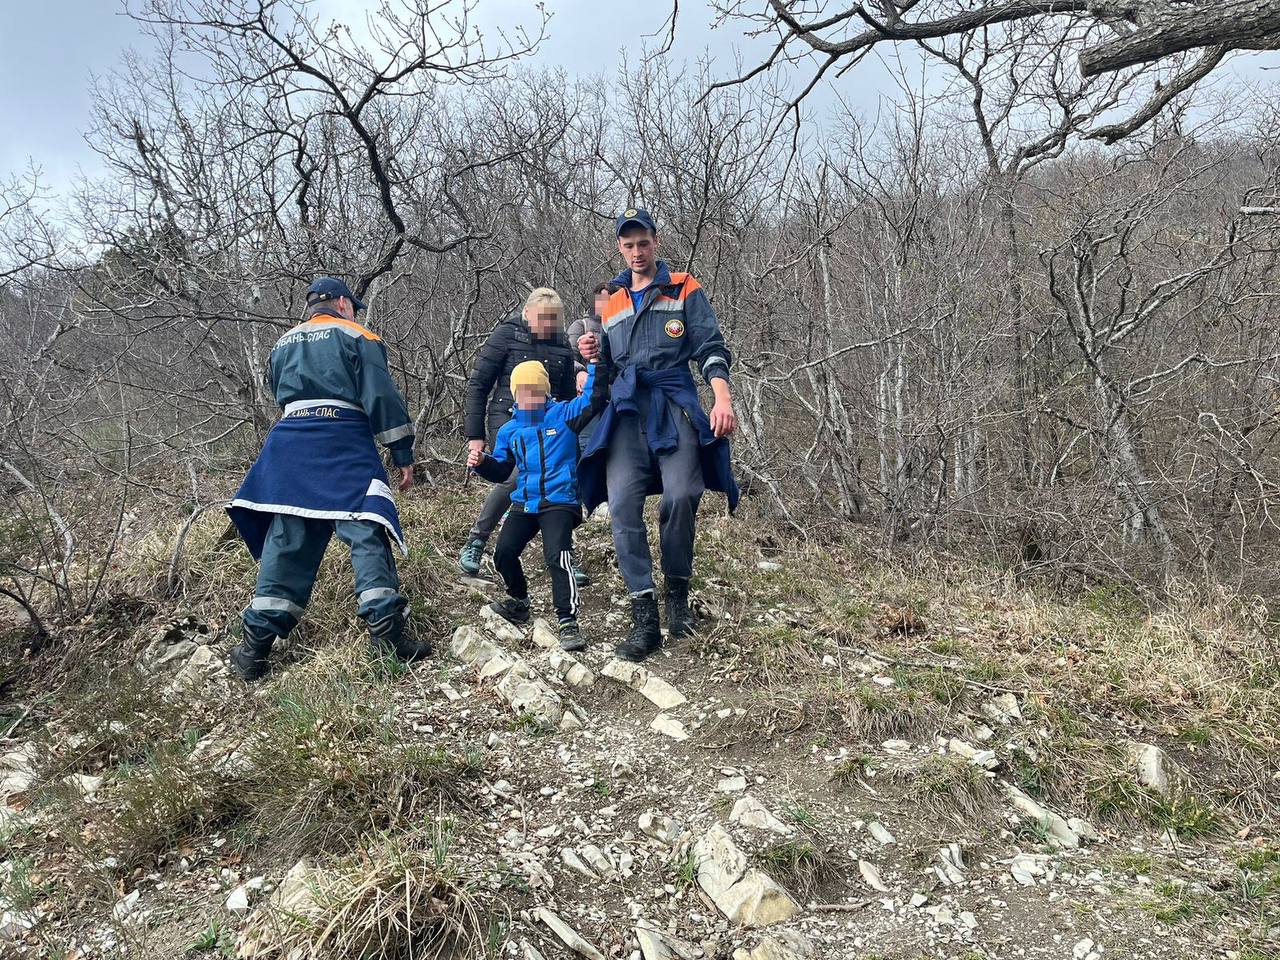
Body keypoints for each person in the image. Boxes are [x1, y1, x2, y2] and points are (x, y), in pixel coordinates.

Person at [226, 277, 429, 680]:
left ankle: (253, 651)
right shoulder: (358, 335)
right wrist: (402, 452)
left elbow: (277, 393)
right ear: (341, 302)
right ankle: (386, 637)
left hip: (289, 443)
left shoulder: (283, 342)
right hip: (341, 438)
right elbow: (381, 396)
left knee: (287, 539)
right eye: (352, 305)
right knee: (365, 525)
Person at [578, 208, 739, 663]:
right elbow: (606, 371)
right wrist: (592, 355)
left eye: (642, 242)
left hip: (673, 404)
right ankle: (643, 612)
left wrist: (721, 399)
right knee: (623, 504)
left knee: (683, 494)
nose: (636, 252)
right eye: (627, 245)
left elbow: (710, 347)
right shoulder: (611, 300)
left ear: (655, 240)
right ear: (619, 248)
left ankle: (677, 595)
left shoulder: (684, 287)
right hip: (627, 412)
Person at [468, 358, 609, 650]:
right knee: (504, 552)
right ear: (515, 394)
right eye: (523, 391)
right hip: (525, 502)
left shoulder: (564, 414)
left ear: (545, 391)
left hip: (560, 501)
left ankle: (568, 621)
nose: (529, 396)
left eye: (535, 390)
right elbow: (503, 471)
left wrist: (594, 363)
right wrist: (482, 463)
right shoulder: (509, 430)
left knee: (557, 556)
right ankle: (519, 601)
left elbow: (594, 397)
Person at [459, 288, 589, 587]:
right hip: (509, 416)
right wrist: (475, 435)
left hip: (548, 419)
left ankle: (561, 550)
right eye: (542, 319)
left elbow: (568, 393)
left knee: (559, 478)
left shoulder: (560, 344)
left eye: (553, 320)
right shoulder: (507, 334)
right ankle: (477, 540)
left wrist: (570, 430)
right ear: (527, 313)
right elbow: (479, 384)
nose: (547, 326)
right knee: (516, 476)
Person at [567, 281, 620, 458]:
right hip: (588, 397)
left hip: (615, 397)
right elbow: (569, 358)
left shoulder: (622, 327)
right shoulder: (580, 326)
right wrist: (580, 373)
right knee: (589, 447)